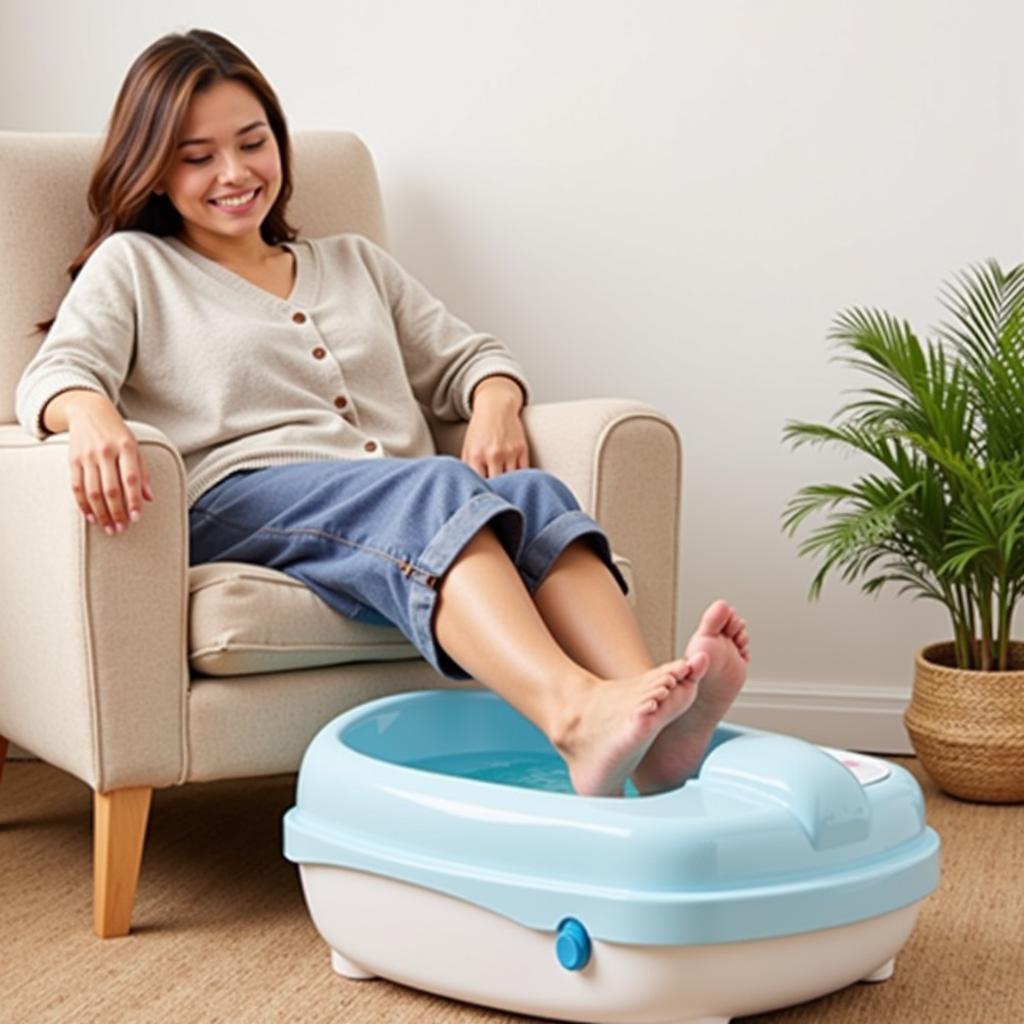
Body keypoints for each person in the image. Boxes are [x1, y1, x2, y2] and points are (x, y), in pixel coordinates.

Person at [15, 29, 750, 798]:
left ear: (279, 145)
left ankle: (660, 723)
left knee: (534, 497)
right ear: (155, 169)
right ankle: (574, 718)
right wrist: (92, 415)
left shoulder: (355, 261)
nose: (233, 174)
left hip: (391, 498)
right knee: (434, 486)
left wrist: (497, 398)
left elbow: (468, 356)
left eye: (252, 143)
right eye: (197, 157)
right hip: (241, 502)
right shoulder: (136, 265)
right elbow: (59, 372)